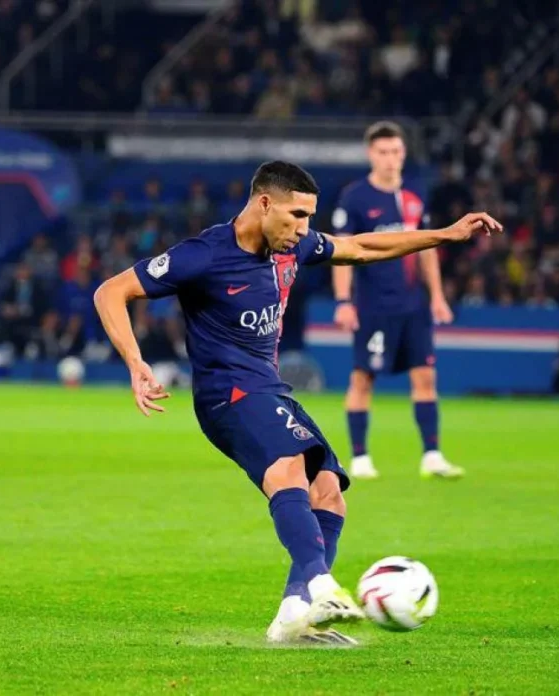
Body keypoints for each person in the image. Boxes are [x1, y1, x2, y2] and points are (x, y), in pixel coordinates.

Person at [93, 161, 501, 646]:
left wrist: (445, 235)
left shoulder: (291, 247)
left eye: (310, 217)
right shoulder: (204, 254)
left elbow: (361, 247)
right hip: (229, 395)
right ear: (265, 203)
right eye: (298, 215)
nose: (305, 229)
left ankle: (292, 616)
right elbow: (111, 291)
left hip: (269, 389)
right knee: (288, 470)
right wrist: (136, 362)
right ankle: (321, 586)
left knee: (329, 492)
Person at [331, 121, 462, 481]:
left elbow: (427, 249)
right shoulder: (355, 197)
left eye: (396, 152)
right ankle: (360, 457)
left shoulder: (415, 195)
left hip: (413, 306)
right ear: (371, 154)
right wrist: (343, 301)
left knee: (425, 376)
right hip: (373, 306)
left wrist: (437, 296)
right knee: (363, 378)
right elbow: (340, 251)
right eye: (384, 152)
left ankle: (432, 455)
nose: (391, 159)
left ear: (404, 154)